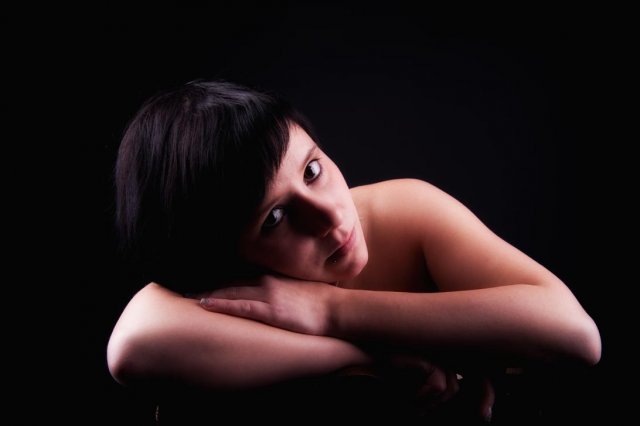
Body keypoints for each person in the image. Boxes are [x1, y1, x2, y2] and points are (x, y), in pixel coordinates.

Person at [107, 80, 601, 422]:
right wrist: (371, 358)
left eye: (312, 170)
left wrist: (331, 310)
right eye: (274, 219)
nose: (329, 216)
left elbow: (575, 334)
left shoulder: (402, 213)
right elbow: (132, 344)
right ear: (226, 259)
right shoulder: (231, 290)